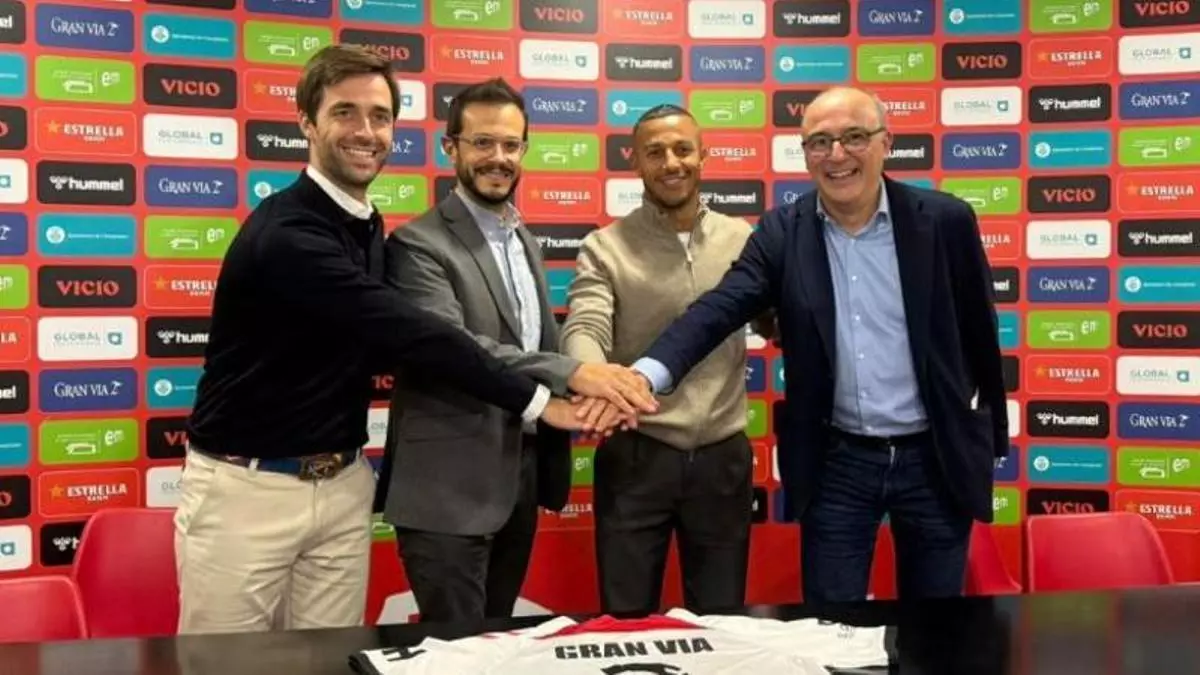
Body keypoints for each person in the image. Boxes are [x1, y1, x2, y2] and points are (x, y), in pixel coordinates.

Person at [176, 46, 654, 636]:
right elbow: (422, 337)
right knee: (222, 661)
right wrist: (550, 395)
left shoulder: (366, 222)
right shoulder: (289, 233)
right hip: (249, 488)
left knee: (331, 659)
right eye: (345, 112)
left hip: (342, 479)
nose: (365, 131)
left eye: (379, 116)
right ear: (306, 122)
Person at [627, 86, 1008, 603]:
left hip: (935, 458)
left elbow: (981, 334)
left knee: (935, 627)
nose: (836, 155)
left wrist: (989, 441)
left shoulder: (945, 221)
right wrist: (644, 375)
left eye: (854, 137)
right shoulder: (783, 232)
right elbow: (719, 309)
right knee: (830, 626)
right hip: (838, 463)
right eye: (820, 142)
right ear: (805, 154)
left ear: (886, 142)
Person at [377, 78, 652, 623]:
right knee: (458, 654)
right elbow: (455, 348)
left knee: (500, 645)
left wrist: (591, 394)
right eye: (482, 143)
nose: (498, 158)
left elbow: (531, 343)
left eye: (510, 144)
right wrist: (575, 374)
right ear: (451, 147)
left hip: (519, 480)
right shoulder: (416, 244)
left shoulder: (521, 237)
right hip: (448, 490)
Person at [560, 104, 772, 616]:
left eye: (682, 149)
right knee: (626, 621)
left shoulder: (745, 240)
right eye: (655, 152)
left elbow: (777, 320)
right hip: (636, 455)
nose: (671, 163)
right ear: (634, 161)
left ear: (704, 155)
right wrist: (593, 378)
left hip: (722, 459)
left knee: (721, 623)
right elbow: (585, 326)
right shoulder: (604, 246)